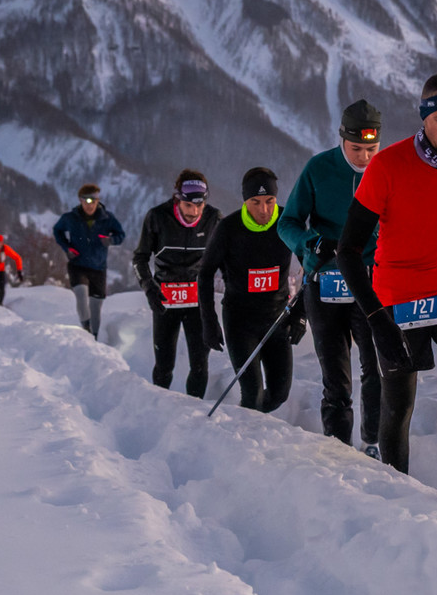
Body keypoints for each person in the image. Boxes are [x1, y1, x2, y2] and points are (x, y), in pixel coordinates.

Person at [336, 73, 437, 510]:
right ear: (424, 117)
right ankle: (398, 498)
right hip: (398, 296)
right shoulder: (388, 165)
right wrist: (376, 320)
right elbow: (348, 251)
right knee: (398, 404)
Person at [278, 100, 383, 455]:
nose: (364, 157)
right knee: (336, 377)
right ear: (342, 139)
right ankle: (339, 450)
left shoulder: (387, 170)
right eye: (356, 149)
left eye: (372, 149)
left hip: (369, 283)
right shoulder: (319, 168)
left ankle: (373, 442)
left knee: (377, 368)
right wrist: (311, 243)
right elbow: (288, 222)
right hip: (325, 283)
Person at [198, 168, 306, 412]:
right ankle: (246, 429)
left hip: (277, 318)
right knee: (252, 393)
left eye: (270, 201)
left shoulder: (287, 223)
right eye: (255, 202)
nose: (264, 210)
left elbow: (311, 267)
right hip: (240, 321)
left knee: (279, 394)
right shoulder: (229, 228)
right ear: (245, 200)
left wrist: (300, 314)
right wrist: (209, 322)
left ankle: (251, 421)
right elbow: (205, 274)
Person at [134, 170, 222, 398]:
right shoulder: (157, 217)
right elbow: (139, 258)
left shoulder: (214, 218)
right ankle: (159, 407)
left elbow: (227, 259)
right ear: (177, 199)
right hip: (165, 300)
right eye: (188, 205)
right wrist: (149, 288)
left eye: (199, 205)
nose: (194, 212)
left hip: (197, 301)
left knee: (200, 364)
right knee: (164, 366)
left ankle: (195, 411)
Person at [52, 183, 125, 338]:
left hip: (98, 267)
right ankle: (86, 329)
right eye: (87, 201)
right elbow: (57, 230)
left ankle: (94, 338)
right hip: (77, 264)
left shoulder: (107, 218)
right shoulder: (70, 218)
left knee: (95, 307)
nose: (90, 205)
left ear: (98, 201)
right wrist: (67, 248)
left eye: (94, 200)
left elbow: (121, 235)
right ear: (81, 200)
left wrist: (111, 240)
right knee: (81, 294)